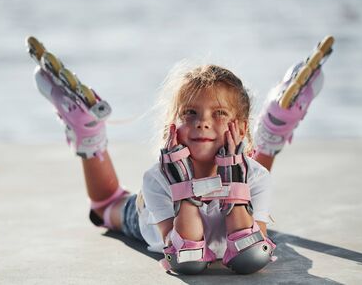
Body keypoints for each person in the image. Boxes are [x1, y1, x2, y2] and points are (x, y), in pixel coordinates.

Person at [33, 59, 324, 274]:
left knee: (249, 179)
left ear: (240, 125)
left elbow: (249, 255)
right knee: (104, 207)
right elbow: (188, 257)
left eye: (219, 113)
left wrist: (235, 182)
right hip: (154, 220)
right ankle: (90, 135)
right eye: (190, 113)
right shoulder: (157, 179)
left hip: (234, 199)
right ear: (173, 125)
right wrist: (183, 189)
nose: (203, 122)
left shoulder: (256, 177)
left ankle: (273, 129)